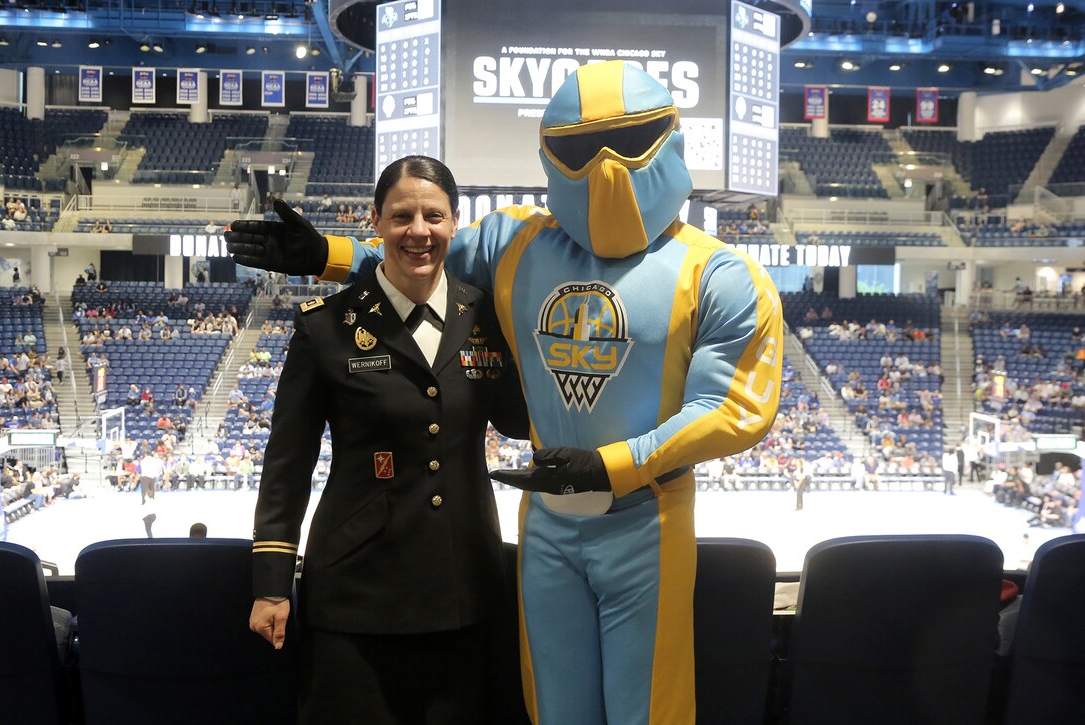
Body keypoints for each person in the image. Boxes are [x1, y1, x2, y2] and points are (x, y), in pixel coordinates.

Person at [228, 61, 782, 725]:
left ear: (672, 139)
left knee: (648, 712)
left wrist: (612, 464)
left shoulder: (719, 272)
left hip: (646, 515)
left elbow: (733, 408)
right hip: (546, 521)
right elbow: (417, 264)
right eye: (580, 149)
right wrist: (329, 255)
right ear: (550, 155)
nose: (606, 167)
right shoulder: (518, 242)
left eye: (630, 143)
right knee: (553, 706)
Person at [246, 156, 529, 724]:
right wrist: (273, 582)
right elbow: (288, 462)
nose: (418, 232)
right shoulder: (324, 325)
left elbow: (518, 423)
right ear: (376, 220)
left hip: (465, 591)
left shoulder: (487, 317)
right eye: (402, 216)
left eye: (434, 216)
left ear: (453, 224)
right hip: (357, 595)